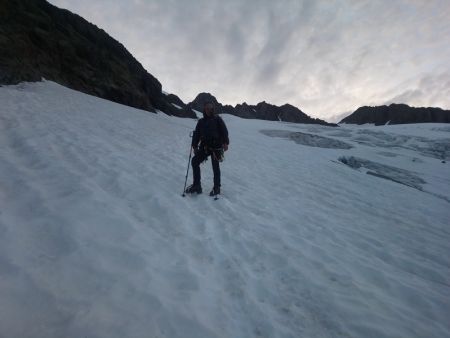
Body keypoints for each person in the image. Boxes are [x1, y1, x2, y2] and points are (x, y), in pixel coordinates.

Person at [185, 102, 229, 196]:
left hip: (216, 147)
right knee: (195, 161)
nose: (209, 110)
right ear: (204, 109)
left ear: (213, 109)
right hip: (205, 147)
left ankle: (216, 188)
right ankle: (197, 185)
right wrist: (194, 145)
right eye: (207, 108)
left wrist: (225, 143)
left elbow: (224, 131)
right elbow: (197, 134)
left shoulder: (217, 119)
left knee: (215, 167)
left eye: (210, 108)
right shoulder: (201, 121)